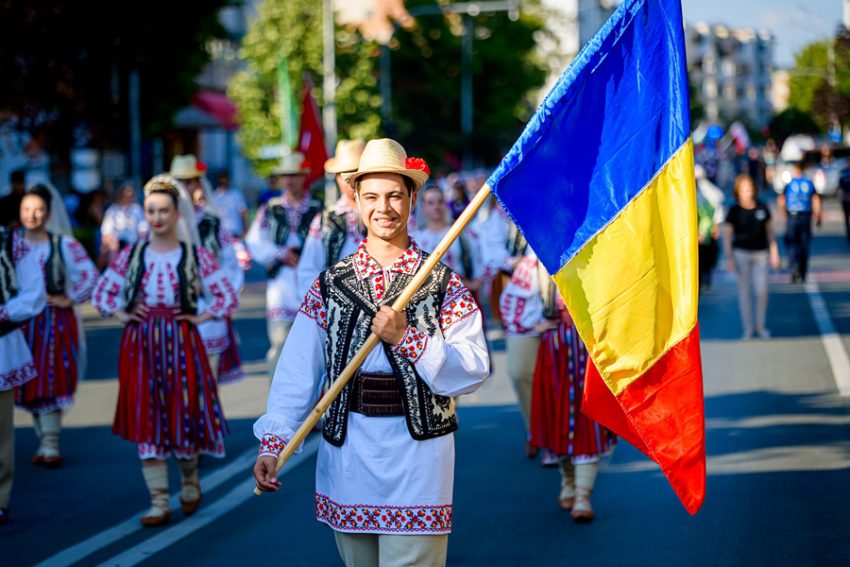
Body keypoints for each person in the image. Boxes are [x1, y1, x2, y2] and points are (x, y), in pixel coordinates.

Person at [253, 139, 489, 567]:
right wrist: (274, 443)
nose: (384, 208)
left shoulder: (441, 282)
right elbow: (297, 372)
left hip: (420, 456)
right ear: (357, 201)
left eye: (395, 195)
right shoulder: (330, 285)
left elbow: (472, 368)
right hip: (350, 454)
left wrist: (408, 338)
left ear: (412, 199)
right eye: (373, 197)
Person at [92, 175, 238, 527]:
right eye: (151, 211)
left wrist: (199, 316)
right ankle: (158, 501)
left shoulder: (195, 255)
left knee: (183, 412)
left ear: (177, 214)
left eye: (163, 211)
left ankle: (189, 479)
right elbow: (102, 293)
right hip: (141, 344)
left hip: (182, 343)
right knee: (147, 415)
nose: (157, 218)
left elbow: (226, 295)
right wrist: (123, 313)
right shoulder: (132, 254)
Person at [15, 184, 98, 467]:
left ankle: (50, 443)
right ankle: (44, 440)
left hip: (54, 322)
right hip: (22, 324)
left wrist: (69, 298)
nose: (32, 215)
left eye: (38, 209)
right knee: (29, 384)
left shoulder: (63, 245)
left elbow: (90, 276)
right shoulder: (13, 245)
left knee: (51, 380)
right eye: (26, 209)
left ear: (49, 213)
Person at [528, 273, 616, 523]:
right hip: (555, 350)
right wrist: (536, 322)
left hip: (588, 349)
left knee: (587, 417)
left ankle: (582, 495)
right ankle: (568, 480)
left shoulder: (597, 257)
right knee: (557, 416)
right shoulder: (536, 265)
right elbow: (515, 301)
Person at [246, 152, 322, 378]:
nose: (290, 180)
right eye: (286, 175)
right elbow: (254, 240)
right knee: (279, 344)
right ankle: (276, 395)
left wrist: (307, 257)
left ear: (303, 177)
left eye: (295, 175)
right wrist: (279, 253)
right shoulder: (271, 208)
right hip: (281, 285)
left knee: (312, 349)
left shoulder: (318, 207)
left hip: (312, 283)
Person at [173, 155, 245, 385]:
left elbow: (230, 262)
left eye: (189, 182)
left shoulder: (212, 223)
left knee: (207, 379)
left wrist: (218, 294)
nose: (184, 188)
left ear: (198, 184)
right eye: (179, 182)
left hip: (207, 305)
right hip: (174, 308)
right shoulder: (165, 222)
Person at [0, 225, 46, 524]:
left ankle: (0, 498)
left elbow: (34, 292)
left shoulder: (8, 242)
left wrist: (4, 312)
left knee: (0, 431)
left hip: (0, 346)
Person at [296, 140, 366, 299]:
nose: (348, 180)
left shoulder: (383, 215)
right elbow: (307, 269)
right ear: (336, 178)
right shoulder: (325, 219)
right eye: (342, 174)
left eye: (355, 172)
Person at [724, 174, 781, 340]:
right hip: (741, 254)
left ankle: (760, 326)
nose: (746, 193)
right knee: (745, 292)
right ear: (737, 192)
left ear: (754, 190)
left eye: (749, 189)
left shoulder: (762, 207)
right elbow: (727, 236)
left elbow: (770, 233)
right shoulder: (734, 211)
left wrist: (775, 253)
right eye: (743, 190)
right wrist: (729, 258)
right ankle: (748, 328)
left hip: (761, 254)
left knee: (761, 290)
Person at [412, 184, 481, 294]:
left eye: (440, 201)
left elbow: (478, 261)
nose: (436, 206)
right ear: (423, 207)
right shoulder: (416, 239)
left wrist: (474, 284)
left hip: (460, 294)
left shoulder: (459, 233)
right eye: (430, 203)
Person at [778, 162, 821, 283]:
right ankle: (802, 270)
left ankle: (793, 268)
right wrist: (818, 215)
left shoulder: (789, 183)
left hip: (793, 215)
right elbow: (815, 199)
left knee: (792, 242)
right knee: (804, 244)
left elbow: (781, 199)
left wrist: (783, 213)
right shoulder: (809, 183)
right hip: (805, 215)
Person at [101, 181, 147, 267]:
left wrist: (140, 243)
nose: (128, 197)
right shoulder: (112, 210)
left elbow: (143, 229)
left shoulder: (137, 209)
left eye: (131, 195)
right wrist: (108, 244)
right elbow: (106, 231)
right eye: (125, 194)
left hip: (134, 243)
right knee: (112, 246)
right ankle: (113, 269)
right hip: (116, 244)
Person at [212, 172, 249, 238]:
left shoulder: (236, 194)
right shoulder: (214, 196)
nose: (224, 182)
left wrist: (245, 229)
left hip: (236, 232)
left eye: (225, 180)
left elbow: (243, 213)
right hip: (220, 234)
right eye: (222, 181)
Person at [838, 160, 850, 243]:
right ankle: (848, 234)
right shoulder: (843, 173)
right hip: (845, 199)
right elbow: (840, 186)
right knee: (846, 218)